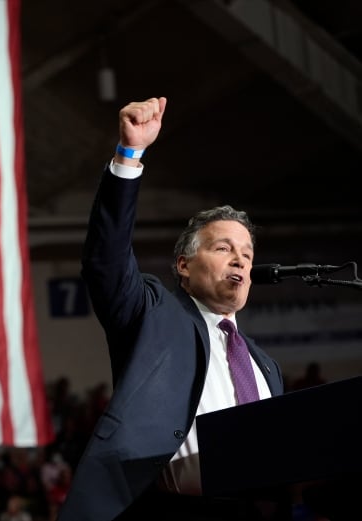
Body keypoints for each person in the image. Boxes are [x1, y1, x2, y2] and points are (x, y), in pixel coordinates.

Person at [57, 98, 285, 521]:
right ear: (183, 265)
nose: (240, 260)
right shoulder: (153, 314)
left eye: (248, 255)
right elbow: (105, 260)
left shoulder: (265, 365)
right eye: (224, 248)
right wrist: (129, 156)